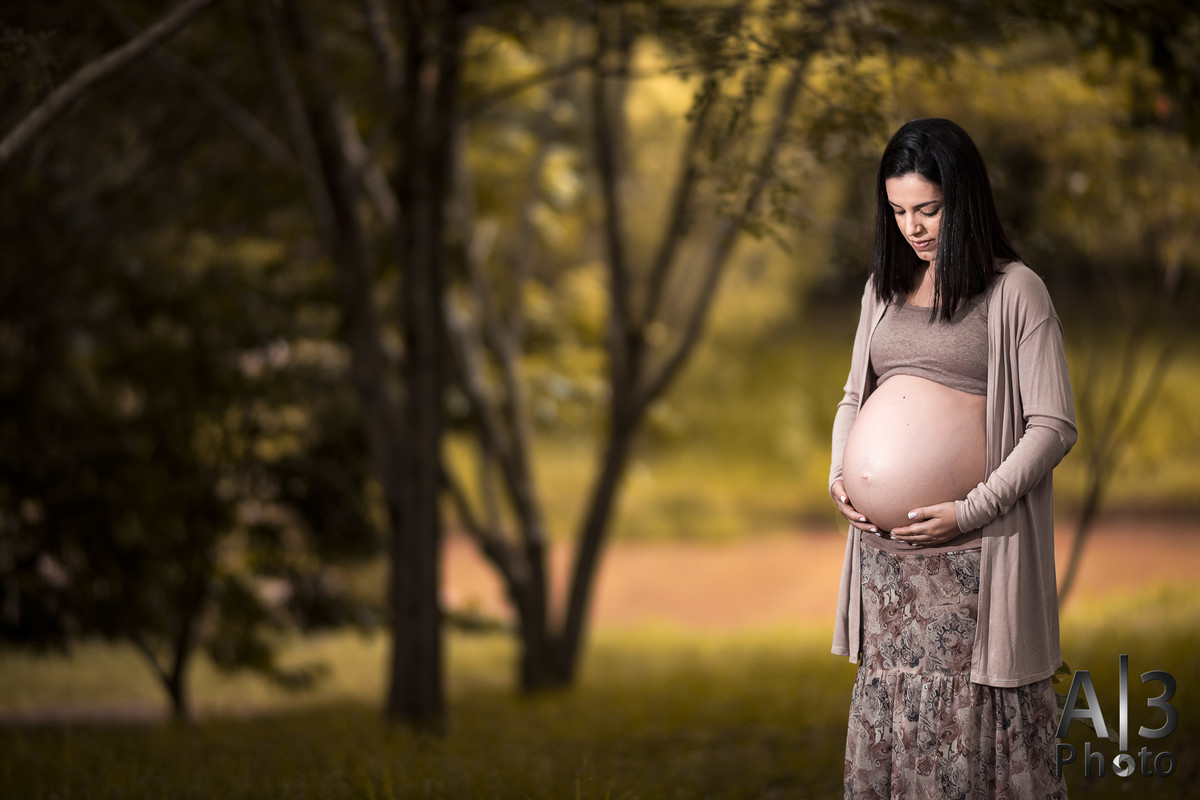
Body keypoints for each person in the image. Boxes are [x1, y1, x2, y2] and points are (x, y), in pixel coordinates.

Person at [828, 118, 1076, 799]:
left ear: (963, 199)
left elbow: (1053, 425)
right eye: (898, 211)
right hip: (887, 569)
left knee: (967, 725)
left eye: (928, 209)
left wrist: (970, 509)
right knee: (899, 714)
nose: (912, 227)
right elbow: (853, 398)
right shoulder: (882, 289)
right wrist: (840, 474)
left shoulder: (1016, 291)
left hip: (972, 560)